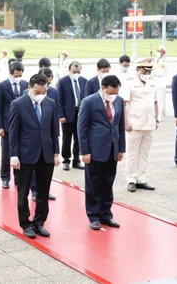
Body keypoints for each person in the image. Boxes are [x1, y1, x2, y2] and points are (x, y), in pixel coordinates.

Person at [9, 74, 60, 238]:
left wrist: (56, 152)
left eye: (44, 92)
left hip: (46, 154)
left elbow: (54, 130)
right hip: (25, 154)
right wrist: (13, 155)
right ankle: (25, 223)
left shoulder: (50, 103)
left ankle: (39, 222)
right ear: (29, 88)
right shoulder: (18, 104)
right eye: (38, 92)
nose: (41, 95)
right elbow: (14, 132)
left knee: (43, 192)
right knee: (23, 191)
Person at [78, 75, 125, 231]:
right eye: (111, 92)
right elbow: (82, 129)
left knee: (108, 182)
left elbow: (120, 126)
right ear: (103, 88)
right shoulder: (89, 102)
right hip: (95, 149)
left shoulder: (118, 101)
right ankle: (93, 215)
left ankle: (106, 213)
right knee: (93, 183)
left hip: (112, 148)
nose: (114, 95)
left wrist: (121, 148)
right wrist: (84, 151)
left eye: (116, 92)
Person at [120, 58, 158, 192]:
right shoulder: (130, 82)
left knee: (144, 154)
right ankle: (131, 179)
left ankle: (142, 179)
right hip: (134, 124)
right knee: (132, 153)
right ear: (137, 69)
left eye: (148, 70)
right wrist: (125, 122)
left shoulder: (152, 82)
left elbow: (155, 102)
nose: (146, 72)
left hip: (149, 123)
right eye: (144, 69)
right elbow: (125, 103)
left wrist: (157, 120)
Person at [0, 61, 28, 189]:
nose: (18, 77)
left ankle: (18, 177)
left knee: (20, 152)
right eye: (16, 75)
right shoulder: (2, 86)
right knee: (7, 152)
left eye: (20, 75)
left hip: (22, 124)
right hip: (7, 124)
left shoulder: (25, 84)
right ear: (11, 73)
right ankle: (5, 177)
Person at [57, 62, 86, 171]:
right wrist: (61, 115)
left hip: (80, 113)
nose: (76, 74)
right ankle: (66, 160)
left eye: (78, 72)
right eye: (74, 72)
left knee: (78, 138)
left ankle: (76, 160)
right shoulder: (63, 81)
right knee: (67, 138)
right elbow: (59, 99)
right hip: (68, 114)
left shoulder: (83, 81)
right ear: (69, 70)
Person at [154, 45, 168, 120]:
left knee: (160, 101)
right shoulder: (157, 60)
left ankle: (159, 117)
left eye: (159, 52)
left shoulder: (163, 62)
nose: (158, 53)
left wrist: (153, 73)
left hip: (160, 84)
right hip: (155, 83)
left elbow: (159, 73)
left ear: (162, 53)